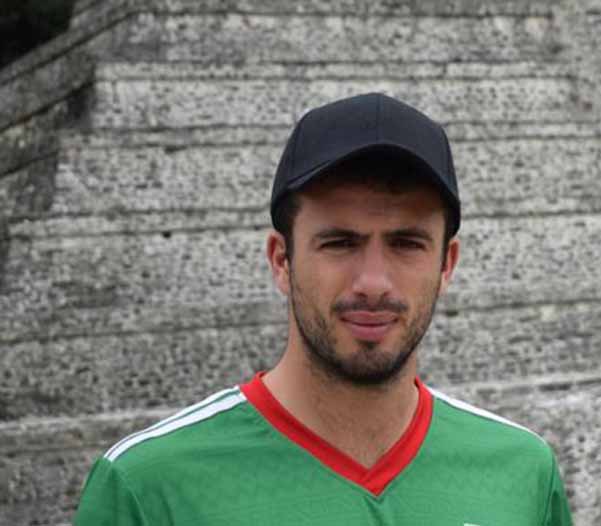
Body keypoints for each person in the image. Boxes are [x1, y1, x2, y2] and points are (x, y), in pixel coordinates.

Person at [73, 93, 573, 525]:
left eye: (407, 243)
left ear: (448, 263)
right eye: (338, 243)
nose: (373, 282)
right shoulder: (148, 487)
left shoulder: (522, 473)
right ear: (281, 259)